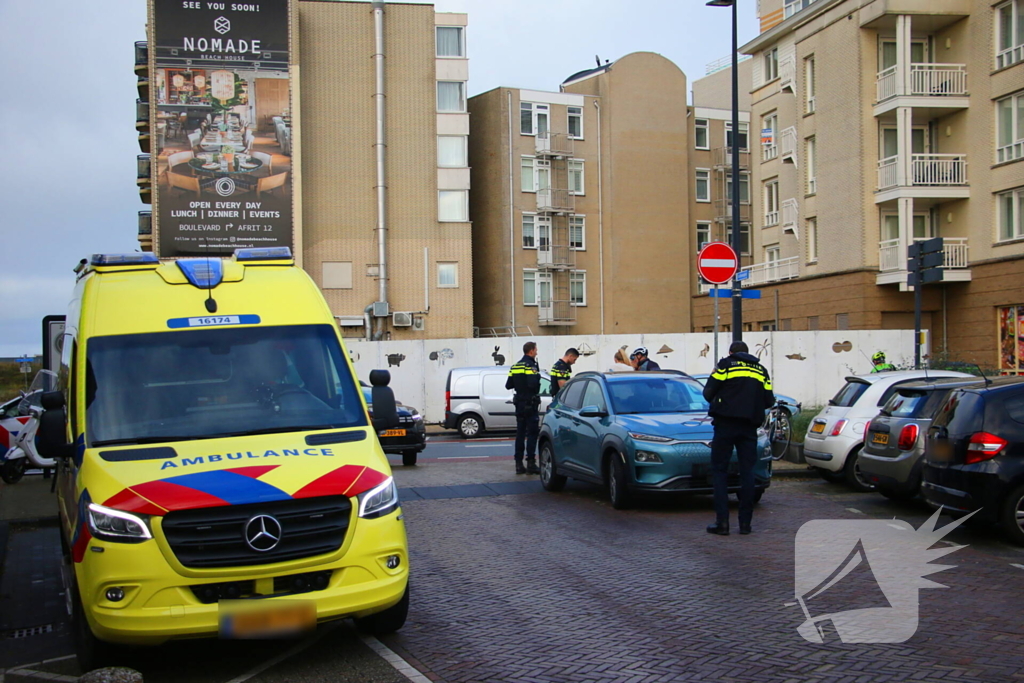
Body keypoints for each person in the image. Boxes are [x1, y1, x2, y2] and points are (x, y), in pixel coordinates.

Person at [702, 340, 775, 536]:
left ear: (731, 352)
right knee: (748, 473)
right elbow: (769, 400)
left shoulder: (725, 365)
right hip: (749, 427)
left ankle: (722, 523)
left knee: (719, 471)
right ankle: (745, 525)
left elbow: (708, 393)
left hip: (725, 424)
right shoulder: (761, 370)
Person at [506, 341, 542, 475]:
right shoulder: (531, 366)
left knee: (520, 434)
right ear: (531, 351)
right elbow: (533, 384)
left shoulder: (515, 366)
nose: (536, 352)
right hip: (530, 404)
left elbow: (508, 385)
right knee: (532, 433)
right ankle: (531, 463)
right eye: (536, 350)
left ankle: (519, 464)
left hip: (519, 405)